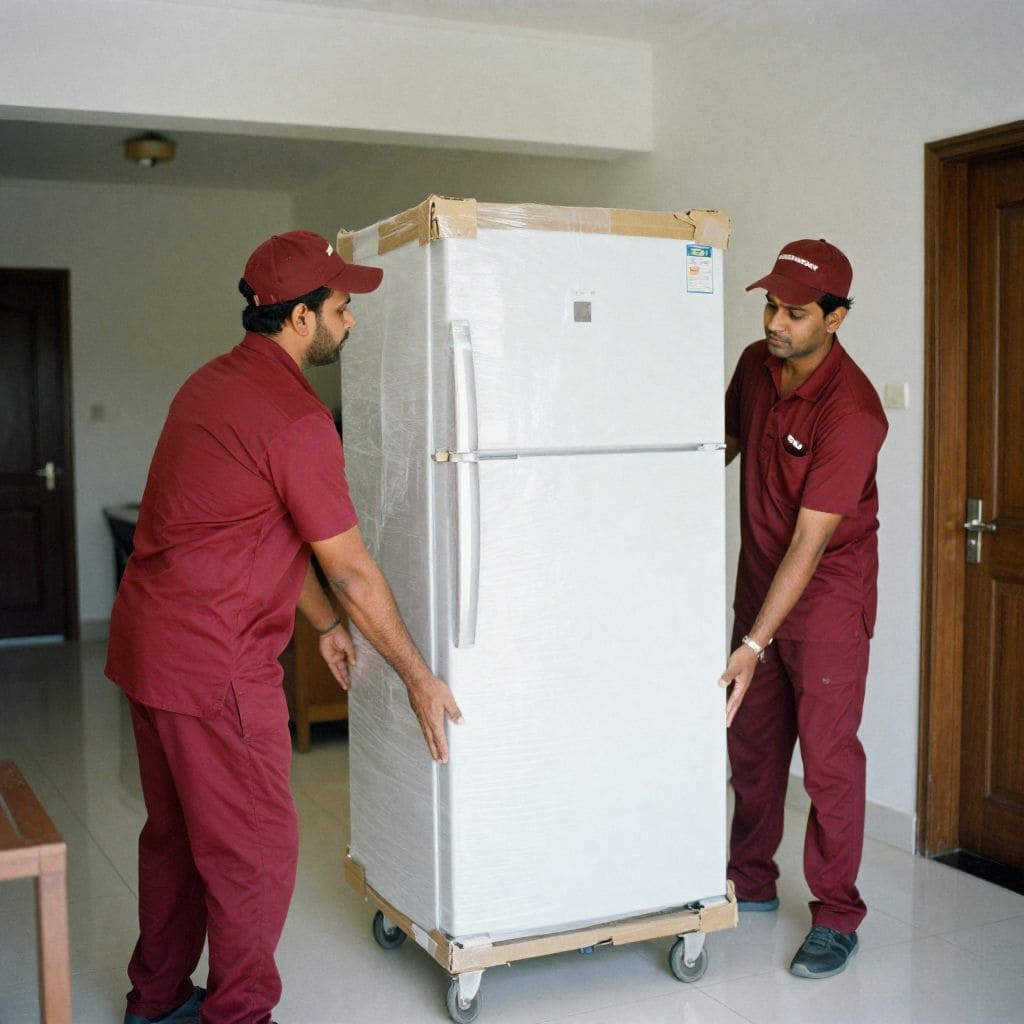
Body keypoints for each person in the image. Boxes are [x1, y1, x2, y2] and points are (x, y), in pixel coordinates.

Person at [105, 230, 462, 1024]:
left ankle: (156, 1000)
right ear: (301, 318)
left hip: (148, 650)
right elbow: (351, 566)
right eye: (341, 307)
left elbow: (252, 530)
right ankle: (239, 1016)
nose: (352, 322)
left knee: (174, 837)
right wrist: (416, 675)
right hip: (215, 666)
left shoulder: (207, 386)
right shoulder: (297, 420)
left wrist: (326, 622)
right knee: (253, 852)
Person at [718, 238, 887, 980]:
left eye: (794, 311)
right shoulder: (758, 367)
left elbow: (812, 543)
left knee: (826, 761)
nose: (774, 322)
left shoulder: (852, 411)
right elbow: (718, 443)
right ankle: (749, 881)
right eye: (769, 305)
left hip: (825, 599)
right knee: (751, 747)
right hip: (760, 584)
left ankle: (837, 915)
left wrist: (754, 646)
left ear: (836, 318)